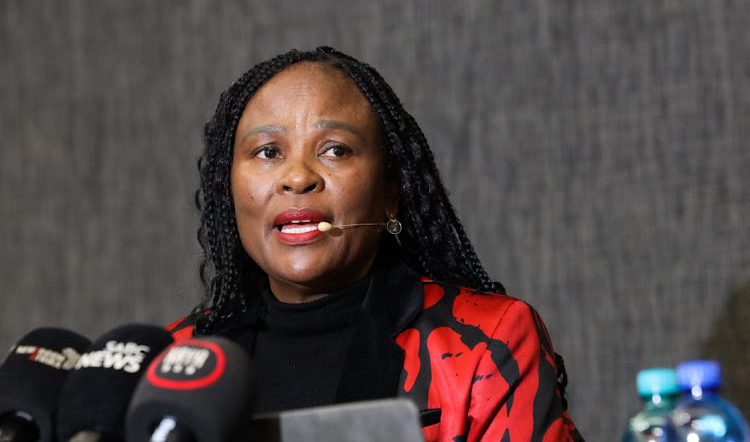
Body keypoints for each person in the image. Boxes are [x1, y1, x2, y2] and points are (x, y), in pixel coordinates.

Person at [167, 46, 584, 441]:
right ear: (229, 188)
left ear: (389, 192)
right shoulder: (172, 363)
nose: (297, 177)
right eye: (268, 151)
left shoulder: (486, 343)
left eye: (335, 149)